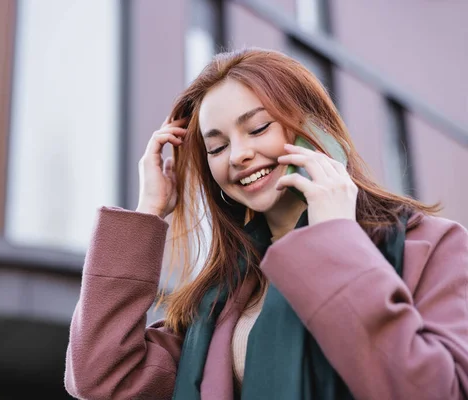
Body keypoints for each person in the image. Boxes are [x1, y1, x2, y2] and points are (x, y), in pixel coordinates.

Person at [64, 48, 468, 399]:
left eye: (258, 128)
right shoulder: (216, 307)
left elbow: (437, 389)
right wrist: (149, 210)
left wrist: (337, 245)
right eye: (217, 147)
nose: (238, 154)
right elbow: (102, 374)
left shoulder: (429, 247)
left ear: (316, 129)